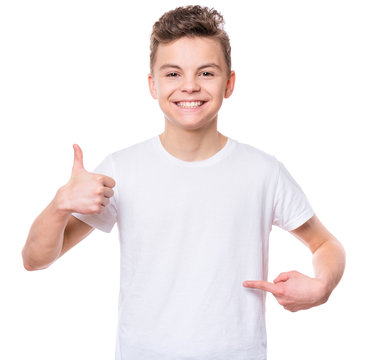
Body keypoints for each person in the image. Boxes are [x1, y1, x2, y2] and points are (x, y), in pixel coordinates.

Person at [22, 5, 346, 360]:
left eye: (206, 72)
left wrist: (322, 286)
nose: (189, 86)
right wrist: (59, 204)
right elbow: (35, 260)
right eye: (173, 73)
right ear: (153, 84)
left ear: (229, 83)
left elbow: (325, 244)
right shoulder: (122, 170)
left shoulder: (263, 172)